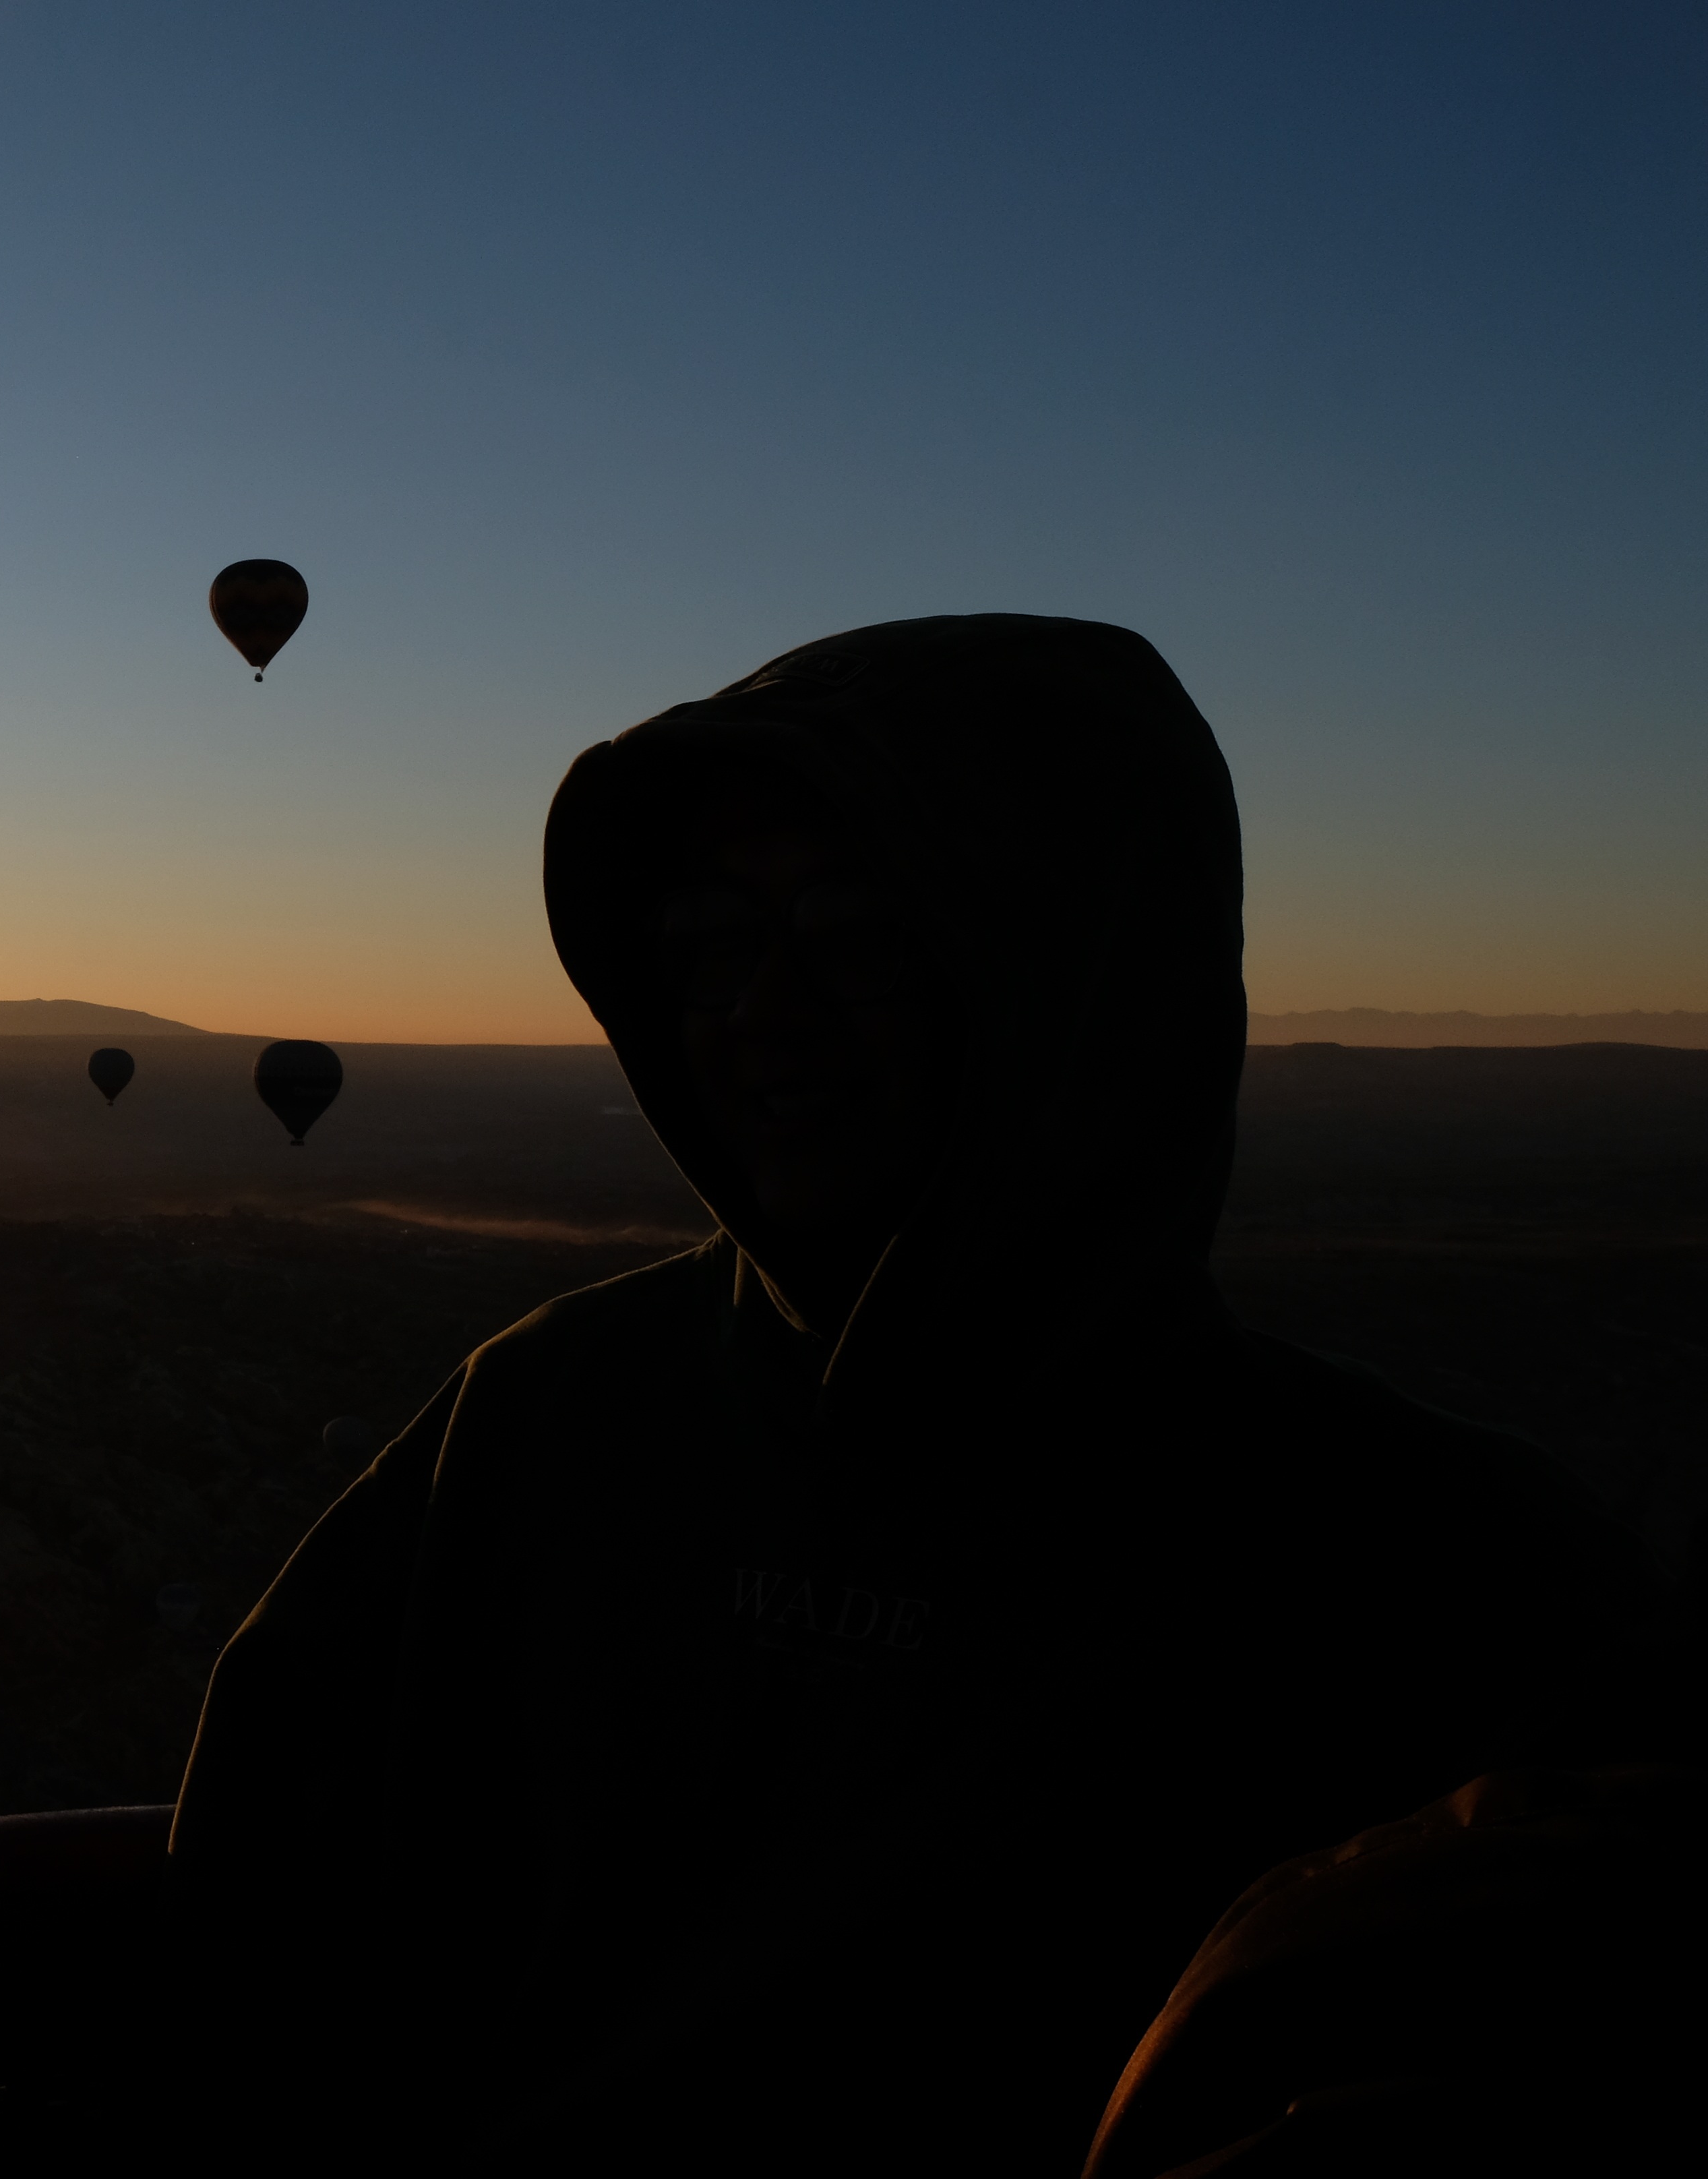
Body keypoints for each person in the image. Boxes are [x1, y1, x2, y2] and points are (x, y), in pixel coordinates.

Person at [164, 616, 1655, 2176]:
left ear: (1079, 984)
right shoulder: (540, 1428)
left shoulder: (1451, 1580)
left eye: (858, 931)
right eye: (710, 944)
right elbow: (254, 1968)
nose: (765, 1008)